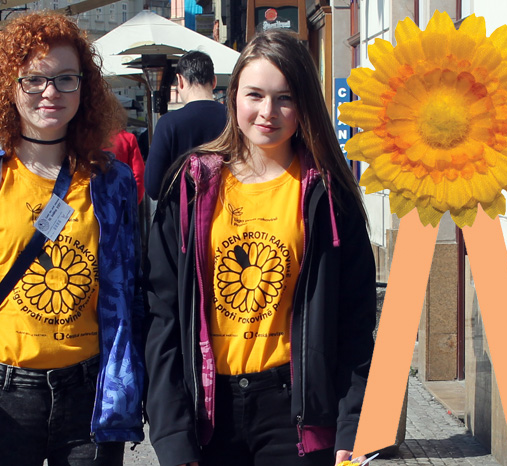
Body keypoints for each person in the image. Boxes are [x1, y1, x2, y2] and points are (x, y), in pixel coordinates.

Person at [0, 11, 145, 466]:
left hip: (90, 395)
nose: (50, 92)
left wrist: (132, 384)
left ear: (84, 87)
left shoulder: (111, 181)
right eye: (34, 80)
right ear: (9, 86)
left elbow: (130, 295)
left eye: (65, 79)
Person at [145, 30, 376, 466]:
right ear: (233, 96)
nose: (268, 112)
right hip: (209, 412)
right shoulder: (192, 186)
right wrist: (172, 431)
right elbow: (162, 314)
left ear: (304, 104)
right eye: (255, 95)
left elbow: (355, 318)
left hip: (295, 413)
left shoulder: (327, 193)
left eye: (285, 98)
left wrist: (352, 420)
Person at [143, 50, 227, 199]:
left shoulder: (168, 124)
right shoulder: (234, 119)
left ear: (180, 81)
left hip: (181, 211)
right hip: (227, 208)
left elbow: (153, 188)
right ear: (214, 81)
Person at [105, 107, 145, 203]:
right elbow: (138, 175)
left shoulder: (84, 139)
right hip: (119, 201)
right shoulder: (127, 139)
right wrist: (133, 202)